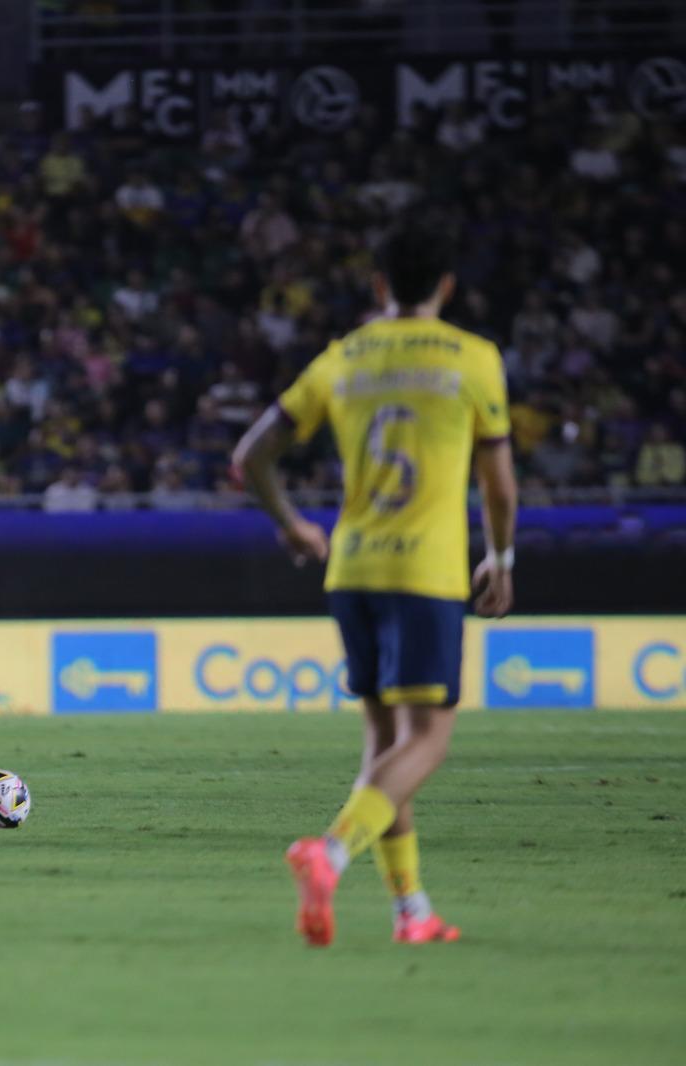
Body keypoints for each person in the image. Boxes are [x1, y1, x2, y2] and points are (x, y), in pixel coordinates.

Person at [232, 224, 518, 948]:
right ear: (447, 285)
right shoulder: (475, 359)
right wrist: (503, 557)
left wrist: (295, 526)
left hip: (352, 566)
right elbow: (500, 482)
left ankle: (410, 910)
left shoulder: (344, 357)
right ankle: (328, 852)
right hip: (425, 571)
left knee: (386, 744)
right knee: (428, 740)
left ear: (379, 284)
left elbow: (252, 455)